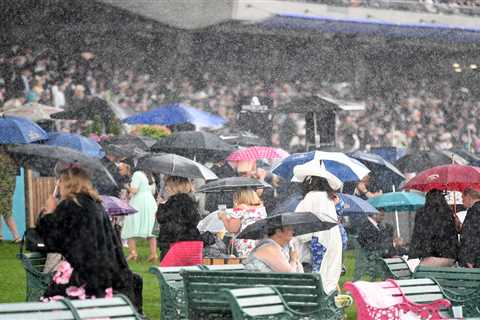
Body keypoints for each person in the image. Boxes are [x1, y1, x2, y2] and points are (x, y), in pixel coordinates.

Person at [35, 167, 138, 304]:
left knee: (49, 308)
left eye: (59, 182)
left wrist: (48, 213)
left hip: (80, 274)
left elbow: (52, 240)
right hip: (101, 274)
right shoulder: (96, 205)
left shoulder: (70, 205)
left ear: (68, 184)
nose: (58, 186)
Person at [293, 158, 343, 294]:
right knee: (330, 271)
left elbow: (300, 223)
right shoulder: (328, 198)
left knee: (319, 274)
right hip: (333, 238)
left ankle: (319, 299)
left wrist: (301, 239)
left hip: (318, 240)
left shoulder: (311, 197)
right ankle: (330, 299)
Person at [156, 176, 203, 261]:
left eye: (167, 185)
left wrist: (160, 206)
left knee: (169, 270)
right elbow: (195, 219)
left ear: (175, 187)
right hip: (190, 241)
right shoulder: (190, 201)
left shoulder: (171, 202)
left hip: (172, 241)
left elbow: (161, 218)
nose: (166, 188)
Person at [409, 189, 458, 267]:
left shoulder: (422, 213)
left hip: (429, 254)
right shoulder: (448, 212)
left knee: (421, 273)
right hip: (448, 255)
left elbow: (418, 234)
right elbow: (452, 235)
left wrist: (414, 253)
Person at [354, 210, 404, 280]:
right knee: (398, 269)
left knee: (403, 259)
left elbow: (384, 243)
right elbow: (373, 246)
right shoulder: (366, 227)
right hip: (373, 259)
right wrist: (394, 244)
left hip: (382, 256)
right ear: (374, 214)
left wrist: (395, 248)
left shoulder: (379, 226)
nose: (383, 218)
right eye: (382, 215)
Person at [121, 166, 158, 262]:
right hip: (150, 201)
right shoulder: (150, 175)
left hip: (139, 202)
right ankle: (153, 254)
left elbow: (134, 190)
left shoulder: (137, 174)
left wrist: (127, 187)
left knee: (131, 225)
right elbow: (152, 190)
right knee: (150, 227)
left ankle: (133, 253)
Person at [217, 188, 267, 257]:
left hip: (245, 244)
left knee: (245, 264)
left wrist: (223, 217)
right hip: (260, 242)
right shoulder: (261, 208)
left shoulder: (240, 208)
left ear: (239, 198)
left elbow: (232, 229)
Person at [0, 148, 21, 242]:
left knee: (6, 212)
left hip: (4, 187)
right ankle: (14, 236)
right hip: (9, 187)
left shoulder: (5, 158)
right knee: (6, 211)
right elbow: (16, 173)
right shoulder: (13, 156)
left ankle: (16, 236)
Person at [459, 188, 480, 268]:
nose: (462, 201)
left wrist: (469, 259)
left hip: (476, 259)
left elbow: (471, 236)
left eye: (462, 198)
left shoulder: (473, 211)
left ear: (468, 197)